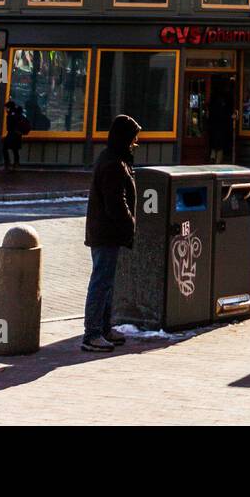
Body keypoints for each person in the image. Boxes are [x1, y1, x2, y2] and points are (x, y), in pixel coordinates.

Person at [82, 114, 141, 353]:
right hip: (107, 232)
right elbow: (116, 202)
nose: (136, 143)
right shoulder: (113, 164)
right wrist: (129, 223)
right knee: (101, 282)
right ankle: (92, 333)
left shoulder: (116, 159)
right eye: (133, 138)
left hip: (108, 231)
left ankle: (104, 328)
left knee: (107, 282)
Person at [207, 87, 235, 164]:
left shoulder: (213, 106)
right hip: (220, 129)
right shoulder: (223, 107)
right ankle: (217, 162)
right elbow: (225, 116)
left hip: (214, 128)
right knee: (219, 146)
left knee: (215, 144)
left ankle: (212, 157)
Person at [3, 99, 31, 168]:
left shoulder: (11, 115)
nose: (5, 109)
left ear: (9, 108)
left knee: (4, 148)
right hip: (18, 135)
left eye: (6, 108)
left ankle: (7, 162)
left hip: (12, 134)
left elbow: (9, 127)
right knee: (15, 150)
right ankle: (16, 163)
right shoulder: (19, 114)